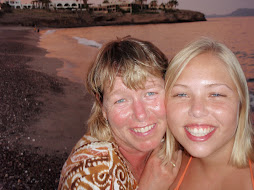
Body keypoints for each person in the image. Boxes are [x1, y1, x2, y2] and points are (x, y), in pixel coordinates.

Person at [58, 36, 182, 190]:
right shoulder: (92, 172)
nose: (140, 114)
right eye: (121, 100)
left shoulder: (171, 143)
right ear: (102, 106)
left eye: (150, 93)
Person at [165, 37, 254, 189]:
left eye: (216, 94)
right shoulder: (162, 172)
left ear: (241, 104)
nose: (197, 111)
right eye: (181, 94)